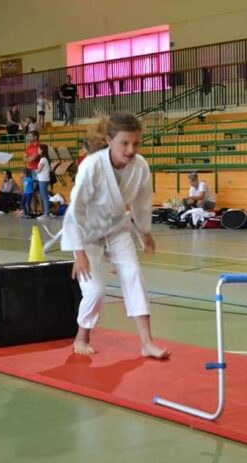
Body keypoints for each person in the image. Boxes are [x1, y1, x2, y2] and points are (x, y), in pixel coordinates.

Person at [61, 112, 169, 358]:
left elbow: (142, 202)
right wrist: (79, 252)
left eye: (135, 143)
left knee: (134, 275)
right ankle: (82, 336)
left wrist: (145, 233)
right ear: (109, 140)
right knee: (95, 290)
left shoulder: (140, 166)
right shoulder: (92, 165)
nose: (131, 150)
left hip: (117, 228)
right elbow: (76, 210)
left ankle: (147, 343)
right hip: (87, 233)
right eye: (124, 143)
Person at [35, 144, 51, 220]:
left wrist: (34, 170)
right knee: (44, 196)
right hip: (43, 179)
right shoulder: (44, 159)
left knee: (44, 197)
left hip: (43, 180)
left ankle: (46, 214)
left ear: (42, 150)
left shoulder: (43, 159)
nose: (37, 150)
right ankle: (46, 213)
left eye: (39, 149)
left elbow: (39, 170)